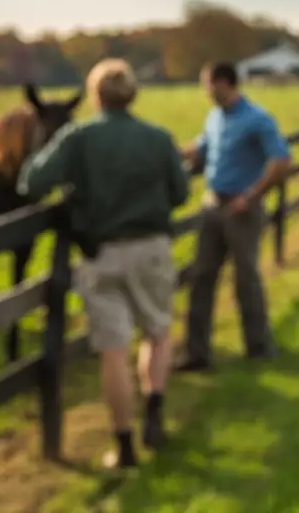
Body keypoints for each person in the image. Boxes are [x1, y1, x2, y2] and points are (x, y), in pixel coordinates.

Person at [17, 58, 189, 470]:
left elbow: (31, 182)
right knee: (157, 334)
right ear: (132, 94)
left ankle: (124, 445)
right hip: (151, 249)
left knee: (113, 351)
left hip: (102, 253)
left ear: (95, 95)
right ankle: (154, 415)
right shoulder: (158, 138)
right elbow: (181, 193)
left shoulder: (78, 137)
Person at [176, 60, 292, 372]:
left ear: (225, 83)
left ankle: (259, 348)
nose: (205, 91)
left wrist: (252, 196)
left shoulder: (257, 119)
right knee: (201, 278)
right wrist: (166, 150)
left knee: (246, 280)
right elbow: (199, 149)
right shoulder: (214, 117)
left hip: (242, 210)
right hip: (212, 206)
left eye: (207, 84)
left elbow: (281, 160)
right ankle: (197, 353)